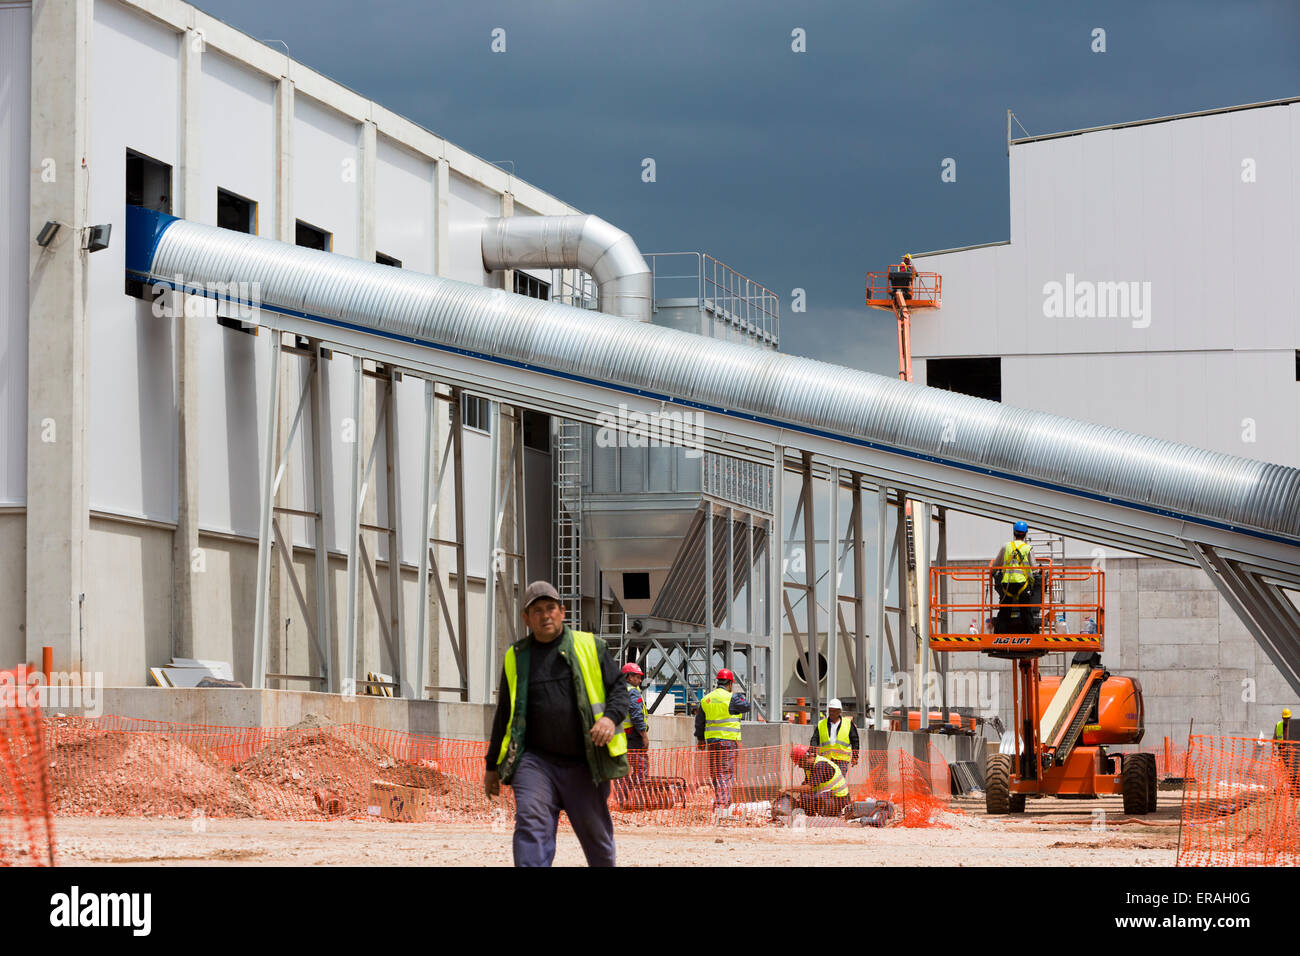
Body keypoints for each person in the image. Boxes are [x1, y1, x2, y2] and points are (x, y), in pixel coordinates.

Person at [483, 581, 629, 867]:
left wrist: (610, 719)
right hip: (535, 763)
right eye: (536, 611)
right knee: (530, 823)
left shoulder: (590, 646)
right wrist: (491, 766)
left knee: (597, 840)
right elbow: (505, 714)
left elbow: (619, 691)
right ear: (526, 619)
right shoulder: (517, 657)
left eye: (550, 608)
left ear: (562, 612)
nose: (545, 615)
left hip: (585, 763)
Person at [694, 668, 751, 809]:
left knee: (716, 773)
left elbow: (699, 722)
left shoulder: (706, 699)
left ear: (718, 682)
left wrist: (700, 740)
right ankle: (722, 804)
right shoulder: (732, 698)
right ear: (730, 683)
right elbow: (747, 706)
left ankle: (721, 801)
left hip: (712, 742)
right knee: (726, 773)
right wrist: (740, 696)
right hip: (728, 742)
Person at [989, 520, 1040, 634]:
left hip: (1007, 584)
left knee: (1004, 612)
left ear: (1014, 533)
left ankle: (1000, 637)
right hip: (1022, 584)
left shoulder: (1006, 547)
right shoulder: (1028, 548)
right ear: (1025, 534)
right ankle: (1030, 636)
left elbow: (995, 565)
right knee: (1026, 611)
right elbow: (1034, 569)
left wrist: (992, 573)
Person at [616, 662, 651, 801]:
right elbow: (636, 715)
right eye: (637, 677)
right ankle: (636, 798)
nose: (640, 680)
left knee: (623, 770)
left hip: (619, 736)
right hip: (633, 737)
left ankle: (622, 799)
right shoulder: (632, 691)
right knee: (641, 768)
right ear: (629, 677)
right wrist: (644, 735)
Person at [810, 698, 859, 777]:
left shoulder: (848, 724)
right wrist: (812, 752)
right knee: (826, 782)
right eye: (830, 710)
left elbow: (855, 741)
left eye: (834, 711)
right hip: (825, 759)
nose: (831, 713)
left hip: (841, 760)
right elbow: (814, 739)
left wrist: (855, 757)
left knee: (839, 781)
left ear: (839, 711)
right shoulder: (821, 724)